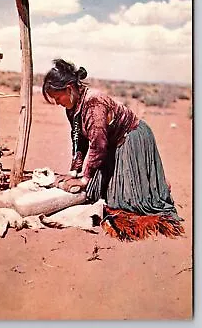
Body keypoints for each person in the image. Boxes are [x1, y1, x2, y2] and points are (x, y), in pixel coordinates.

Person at [42, 59, 184, 239]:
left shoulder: (94, 103)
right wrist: (74, 171)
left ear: (69, 88)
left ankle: (153, 186)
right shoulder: (72, 106)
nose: (57, 103)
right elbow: (79, 140)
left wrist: (84, 179)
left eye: (57, 97)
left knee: (125, 203)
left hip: (131, 139)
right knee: (97, 192)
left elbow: (98, 145)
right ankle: (149, 184)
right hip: (110, 143)